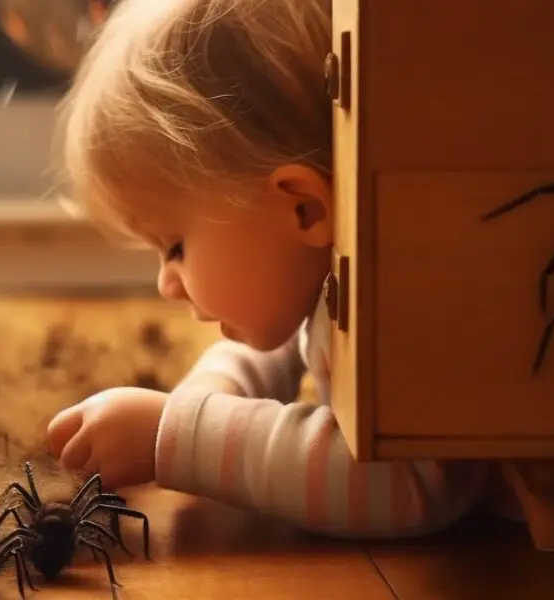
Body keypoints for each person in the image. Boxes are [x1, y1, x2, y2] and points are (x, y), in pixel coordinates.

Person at [45, 0, 488, 538]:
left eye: (175, 246)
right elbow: (273, 351)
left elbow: (410, 484)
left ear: (305, 209)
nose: (165, 283)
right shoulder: (321, 281)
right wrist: (205, 394)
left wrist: (179, 437)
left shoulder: (402, 302)